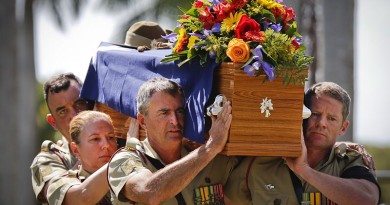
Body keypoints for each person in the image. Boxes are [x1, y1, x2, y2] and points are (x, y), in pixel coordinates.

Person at [224, 82, 380, 205]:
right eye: (315, 114)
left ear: (343, 127)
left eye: (331, 118)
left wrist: (304, 170)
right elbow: (231, 199)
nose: (321, 123)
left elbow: (367, 199)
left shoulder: (350, 160)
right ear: (301, 115)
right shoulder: (260, 163)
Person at [108, 77, 238, 205]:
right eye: (164, 113)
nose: (175, 121)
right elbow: (151, 193)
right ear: (142, 121)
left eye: (179, 111)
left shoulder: (211, 160)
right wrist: (210, 148)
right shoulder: (124, 160)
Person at [31, 73, 93, 203]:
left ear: (91, 104)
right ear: (53, 122)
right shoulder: (48, 160)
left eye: (79, 104)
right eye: (62, 111)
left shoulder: (116, 140)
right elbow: (75, 199)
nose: (74, 115)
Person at [46, 111, 118, 205]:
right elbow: (84, 197)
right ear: (75, 150)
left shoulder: (127, 176)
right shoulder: (61, 185)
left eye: (111, 137)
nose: (106, 145)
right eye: (95, 139)